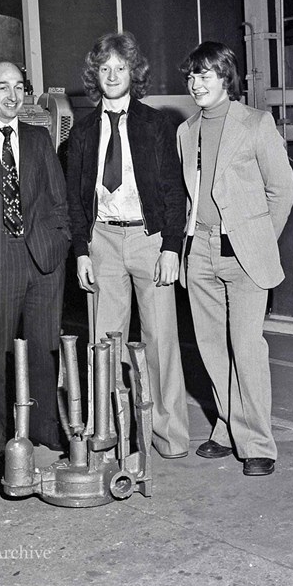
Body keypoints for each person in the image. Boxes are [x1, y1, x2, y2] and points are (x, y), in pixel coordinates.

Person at [67, 32, 190, 459]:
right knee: (105, 343)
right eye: (105, 69)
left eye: (121, 68)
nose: (113, 75)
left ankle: (169, 435)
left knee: (160, 341)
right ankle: (108, 433)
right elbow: (75, 198)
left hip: (148, 238)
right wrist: (81, 249)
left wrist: (172, 247)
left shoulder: (156, 124)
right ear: (95, 76)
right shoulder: (82, 133)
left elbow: (174, 191)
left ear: (133, 73)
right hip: (102, 239)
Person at [177, 41, 293, 476]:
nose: (196, 83)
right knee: (211, 349)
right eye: (191, 76)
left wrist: (258, 240)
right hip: (201, 249)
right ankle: (227, 428)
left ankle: (258, 443)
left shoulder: (256, 123)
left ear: (227, 78)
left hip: (243, 252)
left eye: (205, 75)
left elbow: (282, 190)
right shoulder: (185, 132)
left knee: (246, 348)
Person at [0, 60, 70, 459]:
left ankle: (47, 428)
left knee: (46, 352)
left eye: (18, 87)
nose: (12, 96)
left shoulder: (38, 138)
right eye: (2, 87)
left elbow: (58, 200)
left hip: (44, 261)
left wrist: (59, 243)